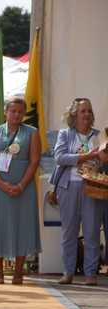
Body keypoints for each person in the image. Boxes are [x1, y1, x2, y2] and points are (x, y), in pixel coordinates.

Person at [0, 97, 42, 285]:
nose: (16, 115)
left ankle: (18, 272)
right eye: (12, 111)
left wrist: (21, 185)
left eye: (20, 112)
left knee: (23, 225)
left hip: (24, 187)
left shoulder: (32, 133)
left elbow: (35, 160)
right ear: (6, 112)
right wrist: (2, 184)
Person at [50, 98, 107, 285]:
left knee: (91, 232)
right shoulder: (65, 134)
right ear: (74, 115)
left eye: (89, 111)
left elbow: (104, 161)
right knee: (69, 232)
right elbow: (60, 157)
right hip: (68, 187)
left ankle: (91, 274)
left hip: (93, 187)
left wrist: (103, 158)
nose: (87, 115)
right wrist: (88, 156)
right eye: (83, 111)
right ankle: (68, 272)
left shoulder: (100, 136)